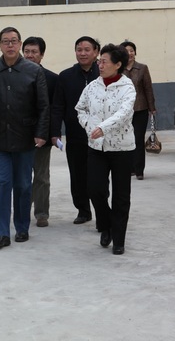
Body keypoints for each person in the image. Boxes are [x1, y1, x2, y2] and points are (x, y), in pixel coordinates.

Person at [0, 27, 49, 247]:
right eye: (5, 41)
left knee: (23, 185)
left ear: (20, 44)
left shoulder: (33, 71)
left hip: (24, 138)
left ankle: (22, 227)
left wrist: (41, 133)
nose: (10, 45)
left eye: (14, 41)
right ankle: (1, 233)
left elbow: (43, 106)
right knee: (1, 183)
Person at [76, 43, 136, 255]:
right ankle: (106, 224)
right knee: (95, 189)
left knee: (121, 196)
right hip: (97, 147)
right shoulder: (93, 86)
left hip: (122, 149)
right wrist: (89, 125)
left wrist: (103, 127)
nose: (100, 65)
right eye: (99, 61)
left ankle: (119, 239)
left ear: (118, 64)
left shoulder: (127, 88)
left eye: (104, 62)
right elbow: (80, 108)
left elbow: (124, 114)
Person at [50, 36, 101, 225]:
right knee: (78, 176)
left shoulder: (103, 74)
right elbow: (58, 106)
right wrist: (55, 132)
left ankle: (101, 212)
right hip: (75, 135)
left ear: (96, 52)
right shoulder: (66, 76)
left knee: (98, 178)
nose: (83, 53)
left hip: (100, 137)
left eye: (87, 49)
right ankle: (83, 210)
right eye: (79, 49)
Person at [22, 36, 58, 228]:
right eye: (27, 51)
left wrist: (50, 135)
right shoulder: (14, 75)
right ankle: (22, 211)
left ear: (42, 55)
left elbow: (54, 110)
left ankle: (42, 213)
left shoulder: (52, 79)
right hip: (19, 136)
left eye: (34, 52)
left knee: (41, 177)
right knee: (21, 177)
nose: (30, 55)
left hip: (42, 136)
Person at [120, 41, 156, 180]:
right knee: (126, 139)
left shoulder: (142, 68)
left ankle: (139, 170)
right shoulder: (118, 68)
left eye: (132, 50)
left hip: (140, 108)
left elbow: (148, 88)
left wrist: (152, 108)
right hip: (123, 111)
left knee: (138, 139)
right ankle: (130, 169)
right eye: (126, 51)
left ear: (135, 52)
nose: (129, 53)